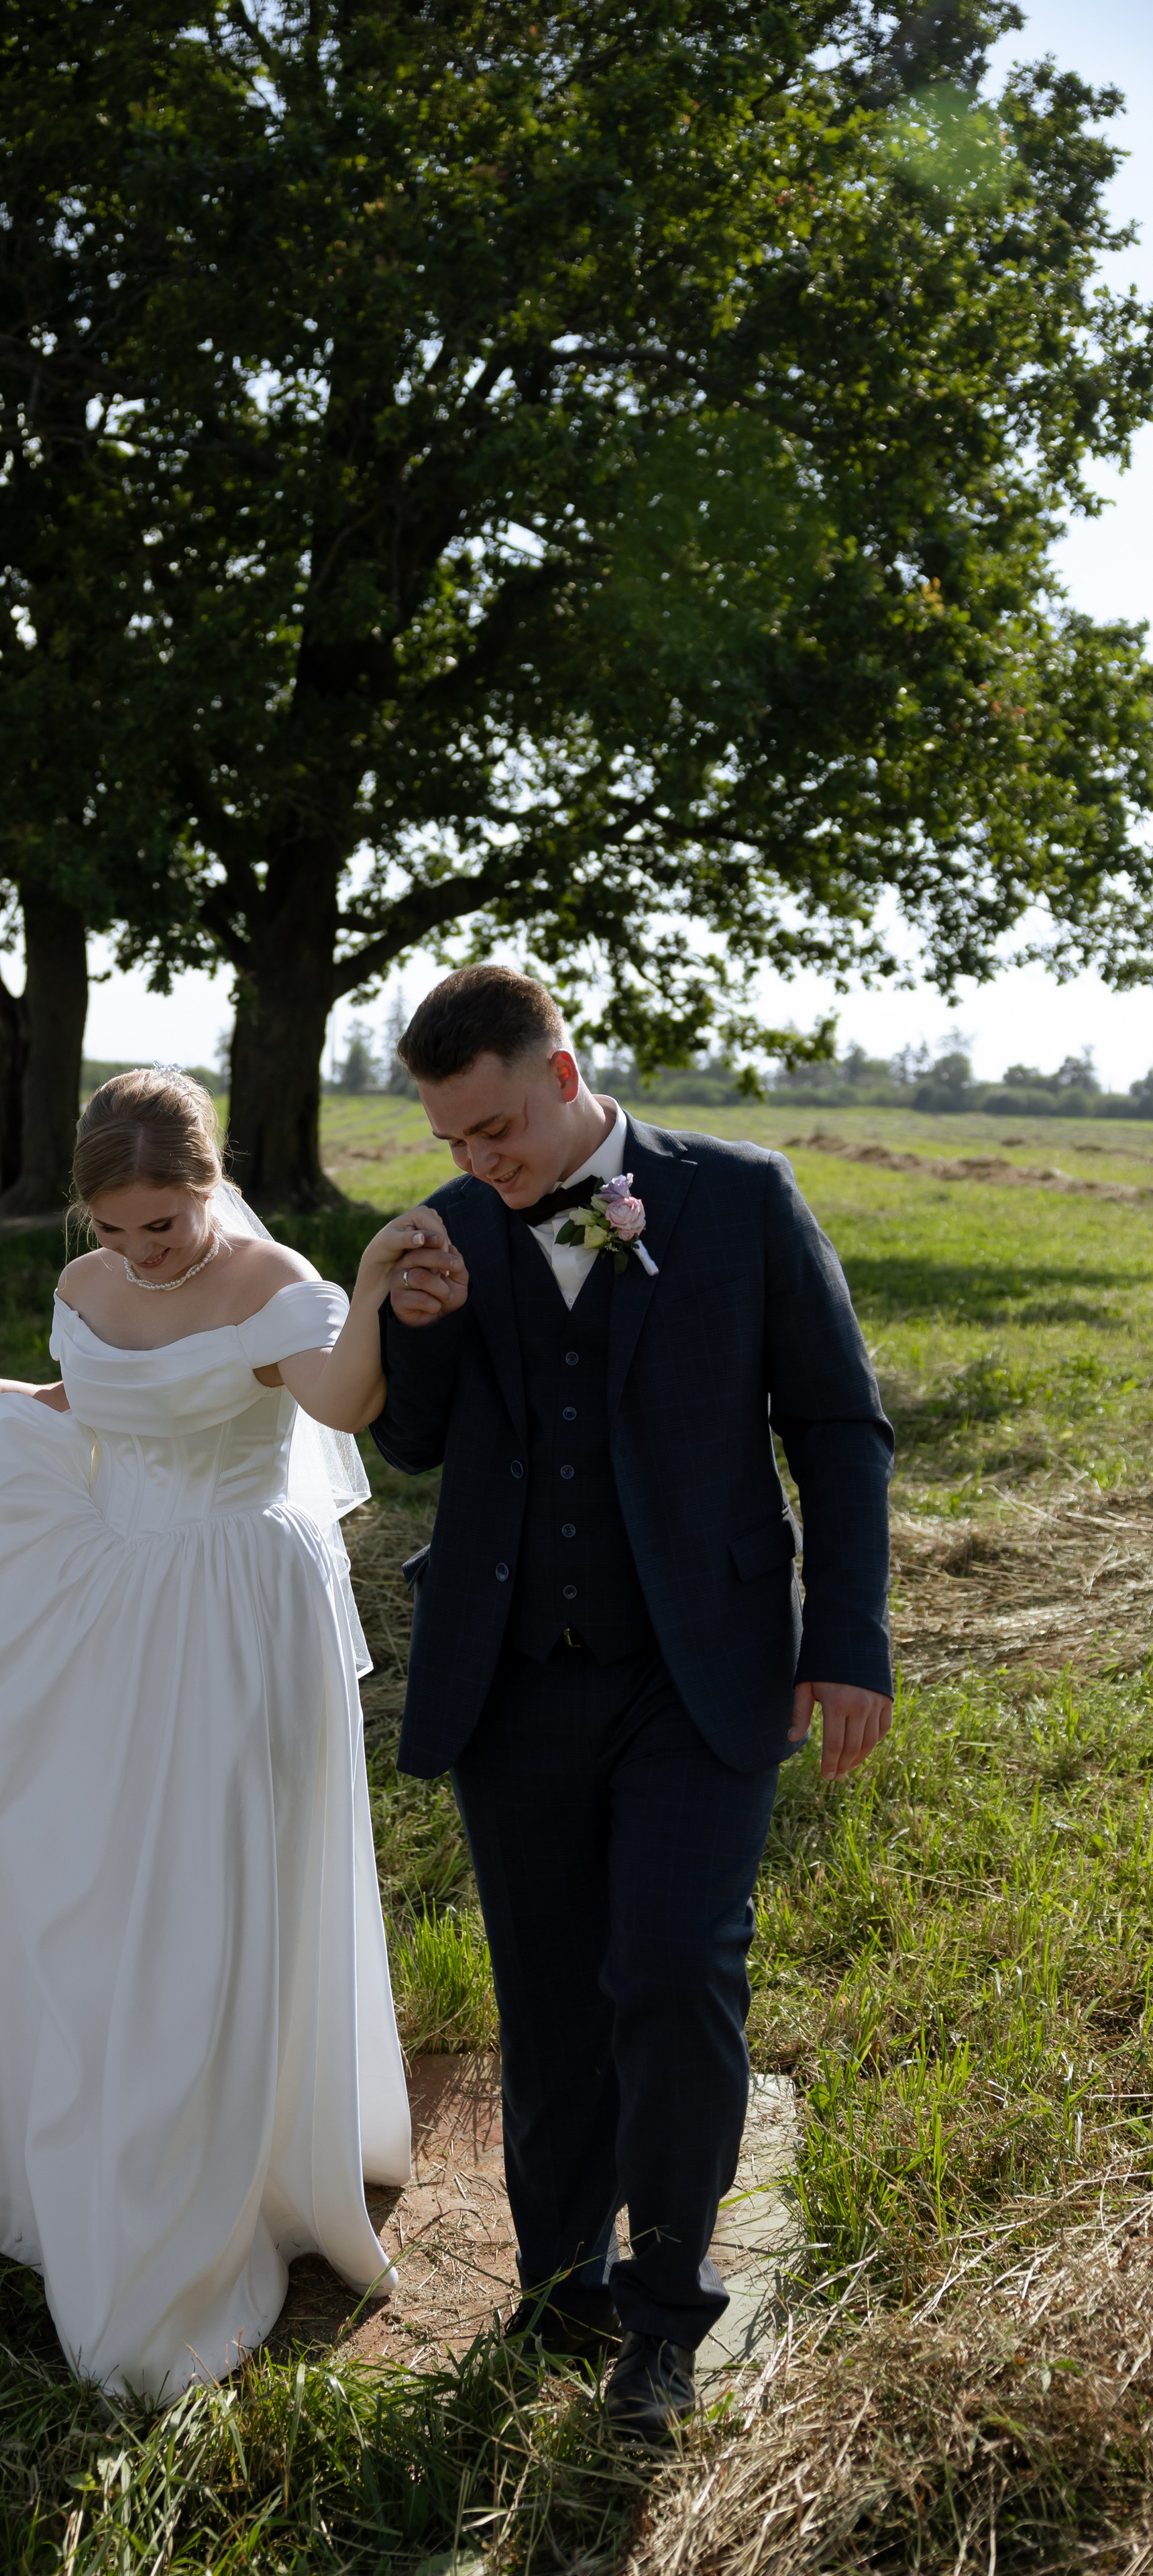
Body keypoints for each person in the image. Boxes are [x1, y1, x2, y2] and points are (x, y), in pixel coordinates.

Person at [0, 1069, 426, 2400]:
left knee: (221, 1877)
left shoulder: (270, 1280)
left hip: (240, 1601)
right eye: (111, 1229)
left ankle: (242, 2163)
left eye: (160, 1227)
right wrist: (13, 1398)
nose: (136, 1254)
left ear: (206, 1184)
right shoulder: (81, 1291)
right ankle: (111, 2136)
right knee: (111, 1873)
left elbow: (341, 1405)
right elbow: (107, 1399)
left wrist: (359, 1290)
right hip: (123, 1599)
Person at [374, 967, 894, 2445]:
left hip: (704, 1671)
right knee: (545, 2003)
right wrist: (415, 1320)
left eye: (493, 1127)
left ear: (560, 1068)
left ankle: (665, 2321)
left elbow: (838, 1426)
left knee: (668, 1971)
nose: (478, 1162)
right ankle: (557, 2284)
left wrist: (846, 1640)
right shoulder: (455, 1228)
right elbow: (412, 1443)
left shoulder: (738, 1195)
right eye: (451, 1137)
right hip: (512, 1677)